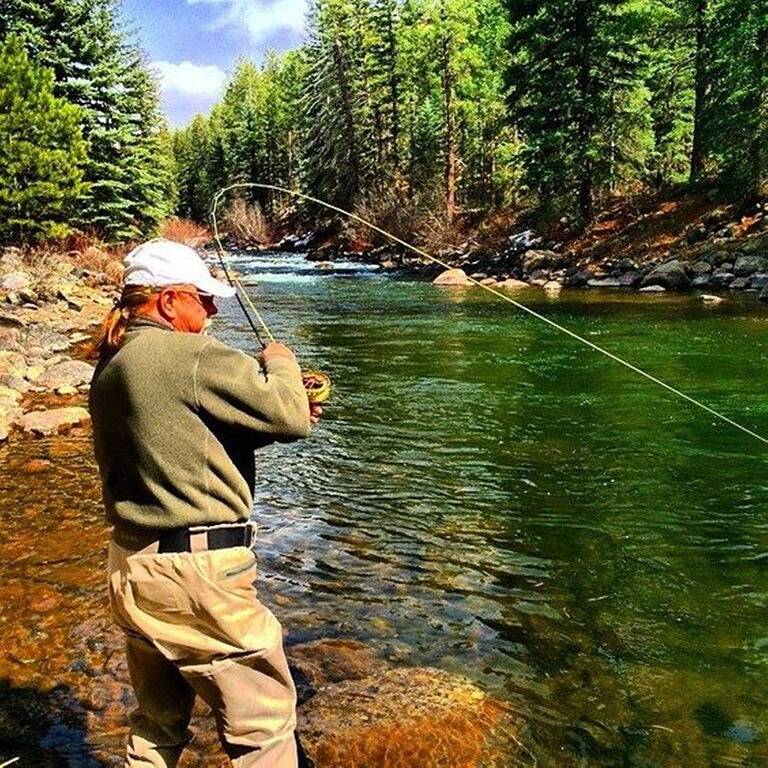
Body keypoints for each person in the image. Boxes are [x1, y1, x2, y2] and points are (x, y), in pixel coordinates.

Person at [88, 240, 320, 768]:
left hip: (132, 568)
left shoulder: (114, 362)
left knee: (157, 727)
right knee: (263, 726)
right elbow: (289, 417)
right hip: (198, 577)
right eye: (204, 299)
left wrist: (266, 417)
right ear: (170, 302)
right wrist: (282, 362)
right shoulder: (188, 355)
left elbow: (180, 442)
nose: (213, 311)